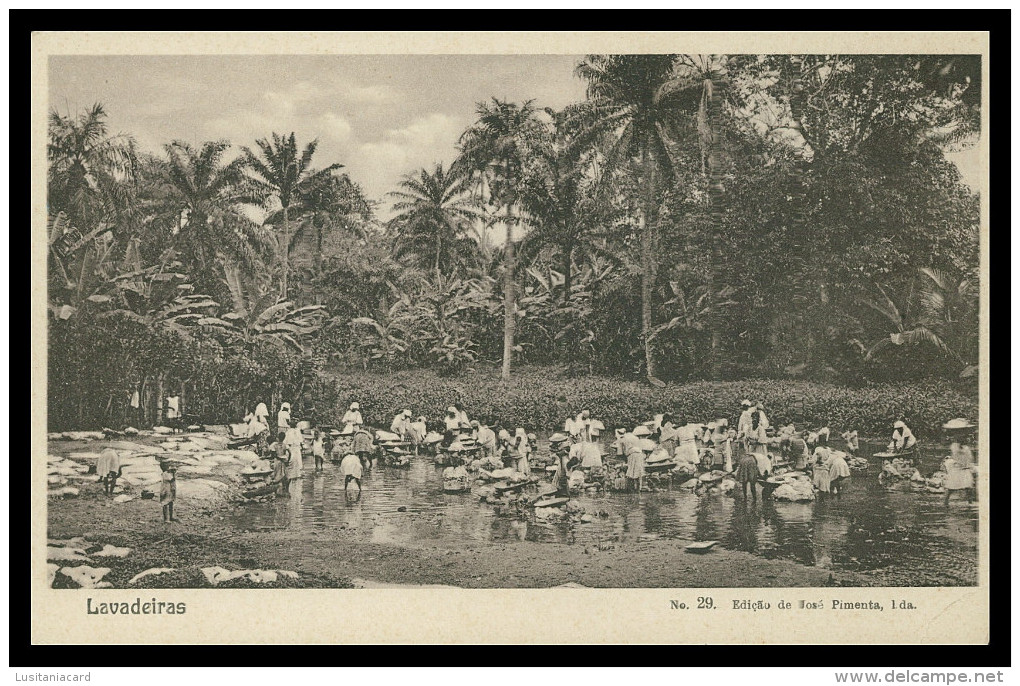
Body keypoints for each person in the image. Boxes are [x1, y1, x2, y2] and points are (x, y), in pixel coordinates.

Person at [942, 418, 976, 504]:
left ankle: (970, 502)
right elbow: (957, 454)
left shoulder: (963, 443)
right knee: (951, 488)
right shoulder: (955, 444)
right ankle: (945, 502)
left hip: (964, 468)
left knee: (968, 487)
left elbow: (968, 457)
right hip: (957, 468)